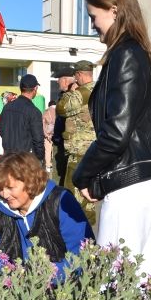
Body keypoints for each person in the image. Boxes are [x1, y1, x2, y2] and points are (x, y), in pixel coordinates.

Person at [72, 0, 151, 278]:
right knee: (144, 275)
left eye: (94, 16)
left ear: (114, 10)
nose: (92, 24)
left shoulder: (126, 54)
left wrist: (83, 174)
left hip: (130, 180)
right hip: (144, 177)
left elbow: (116, 133)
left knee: (113, 278)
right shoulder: (135, 53)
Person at [0, 152, 94, 279]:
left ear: (29, 181)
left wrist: (40, 277)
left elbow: (82, 253)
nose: (4, 194)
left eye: (10, 187)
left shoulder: (60, 202)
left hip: (64, 288)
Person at [57, 60, 97, 224]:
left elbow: (62, 108)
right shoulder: (100, 89)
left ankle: (78, 226)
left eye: (76, 76)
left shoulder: (82, 92)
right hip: (93, 147)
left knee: (74, 190)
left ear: (80, 74)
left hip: (80, 149)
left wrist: (70, 92)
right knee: (88, 190)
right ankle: (87, 225)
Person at [0, 75, 44, 161]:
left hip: (8, 157)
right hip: (25, 159)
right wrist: (40, 158)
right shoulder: (34, 112)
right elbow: (38, 140)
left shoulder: (7, 107)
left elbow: (0, 131)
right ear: (35, 88)